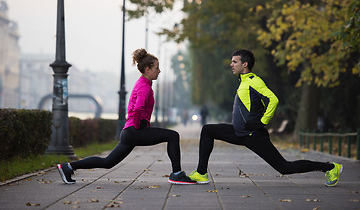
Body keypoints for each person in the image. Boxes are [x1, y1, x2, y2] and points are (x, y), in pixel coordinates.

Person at [189, 49, 343, 187]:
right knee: (208, 130)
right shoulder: (244, 82)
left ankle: (330, 167)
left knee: (284, 167)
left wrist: (262, 122)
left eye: (235, 62)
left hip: (253, 135)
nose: (231, 64)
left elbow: (273, 100)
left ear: (245, 64)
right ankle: (201, 173)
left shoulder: (254, 81)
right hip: (239, 132)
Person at [57, 49, 196, 185]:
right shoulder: (144, 87)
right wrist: (138, 127)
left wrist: (136, 128)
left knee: (107, 163)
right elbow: (138, 108)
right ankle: (177, 174)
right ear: (147, 69)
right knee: (173, 136)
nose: (159, 71)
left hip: (129, 132)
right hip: (134, 131)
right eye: (156, 68)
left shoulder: (143, 83)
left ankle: (68, 167)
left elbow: (137, 108)